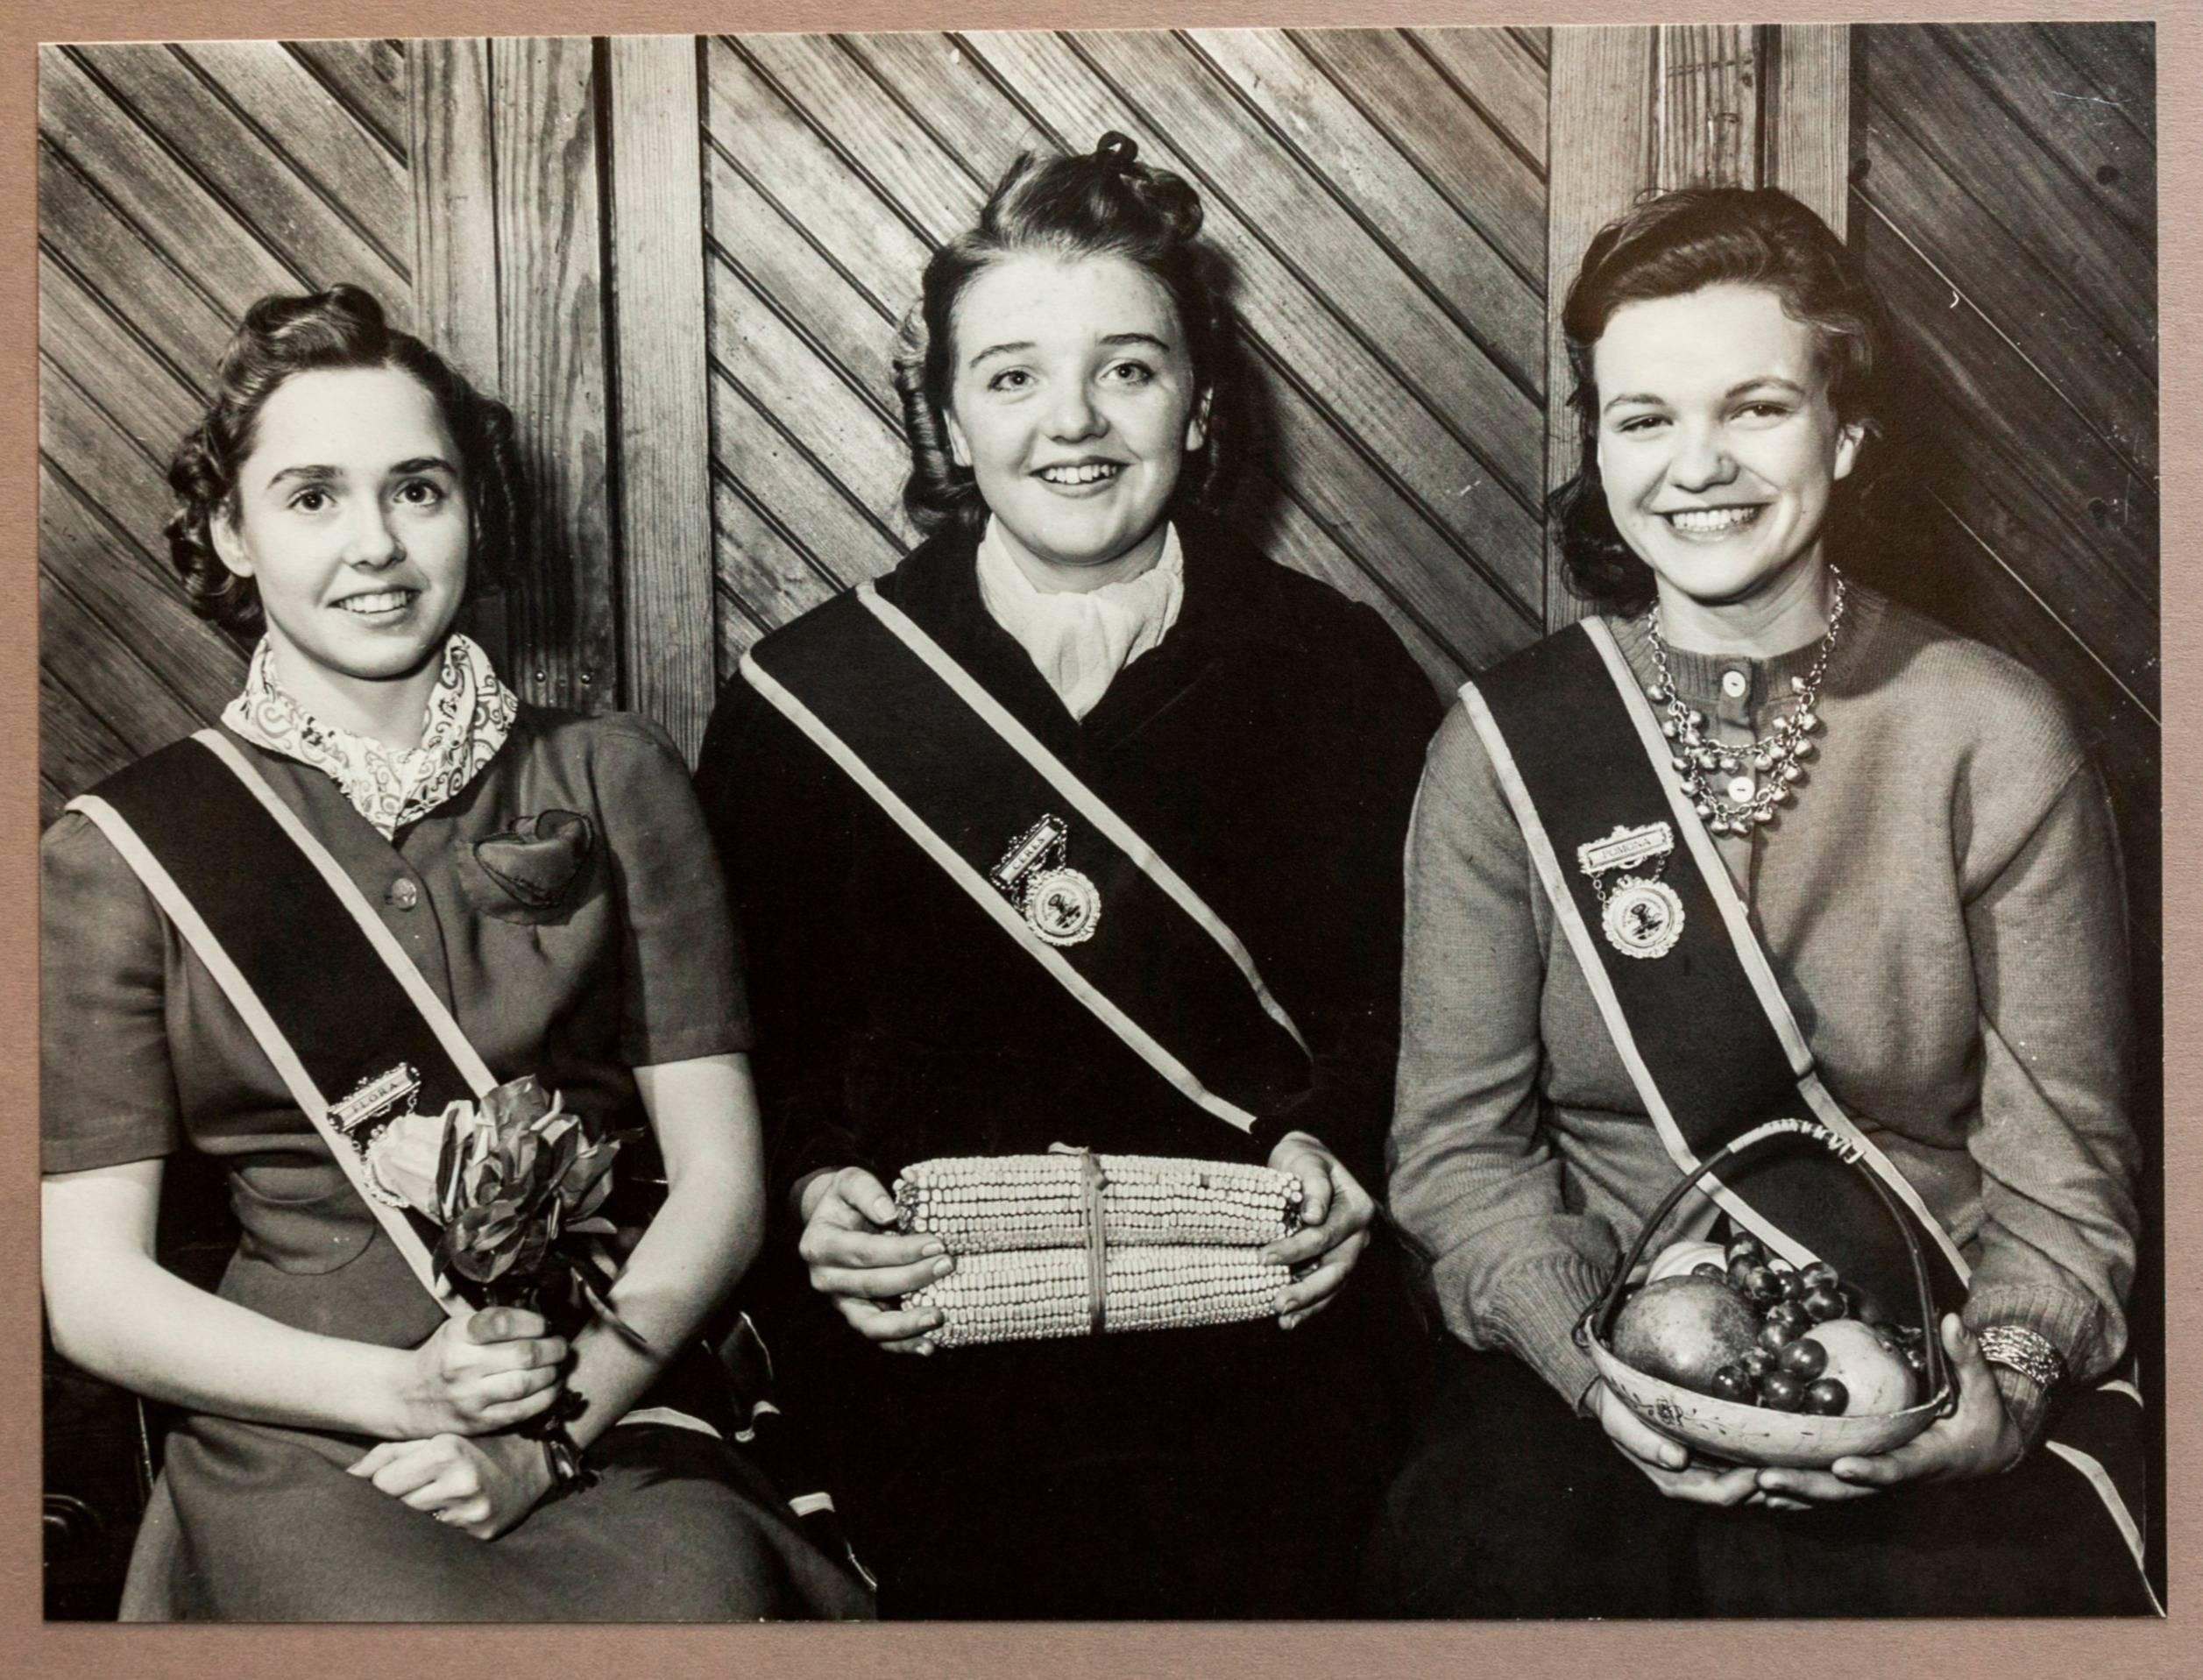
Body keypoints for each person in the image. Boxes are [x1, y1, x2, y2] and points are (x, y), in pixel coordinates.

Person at [38, 287, 872, 1622]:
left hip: (602, 1392)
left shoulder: (614, 777)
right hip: (305, 1428)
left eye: (416, 489)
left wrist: (546, 1434)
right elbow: (93, 1293)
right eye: (311, 496)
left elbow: (720, 1181)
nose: (372, 543)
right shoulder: (114, 856)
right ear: (227, 532)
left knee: (698, 1599)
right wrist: (400, 1392)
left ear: (475, 514)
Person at [1374, 188, 2152, 1617]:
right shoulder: (1504, 746)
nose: (1696, 466)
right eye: (1642, 418)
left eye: (1754, 408)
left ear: (1846, 434)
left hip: (1927, 1356)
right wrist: (1585, 1359)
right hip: (1607, 1356)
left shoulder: (1991, 732)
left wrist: (2012, 1379)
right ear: (1598, 447)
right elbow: (1455, 1156)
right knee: (1489, 1555)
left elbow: (2067, 1178)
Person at [696, 134, 1442, 1619]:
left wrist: (1344, 1150)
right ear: (949, 418)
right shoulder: (813, 692)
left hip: (1257, 1326)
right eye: (1013, 375)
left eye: (1129, 369)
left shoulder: (1335, 668)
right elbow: (743, 1036)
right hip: (928, 1336)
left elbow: (1417, 1007)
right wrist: (813, 1192)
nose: (1075, 423)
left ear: (1201, 402)